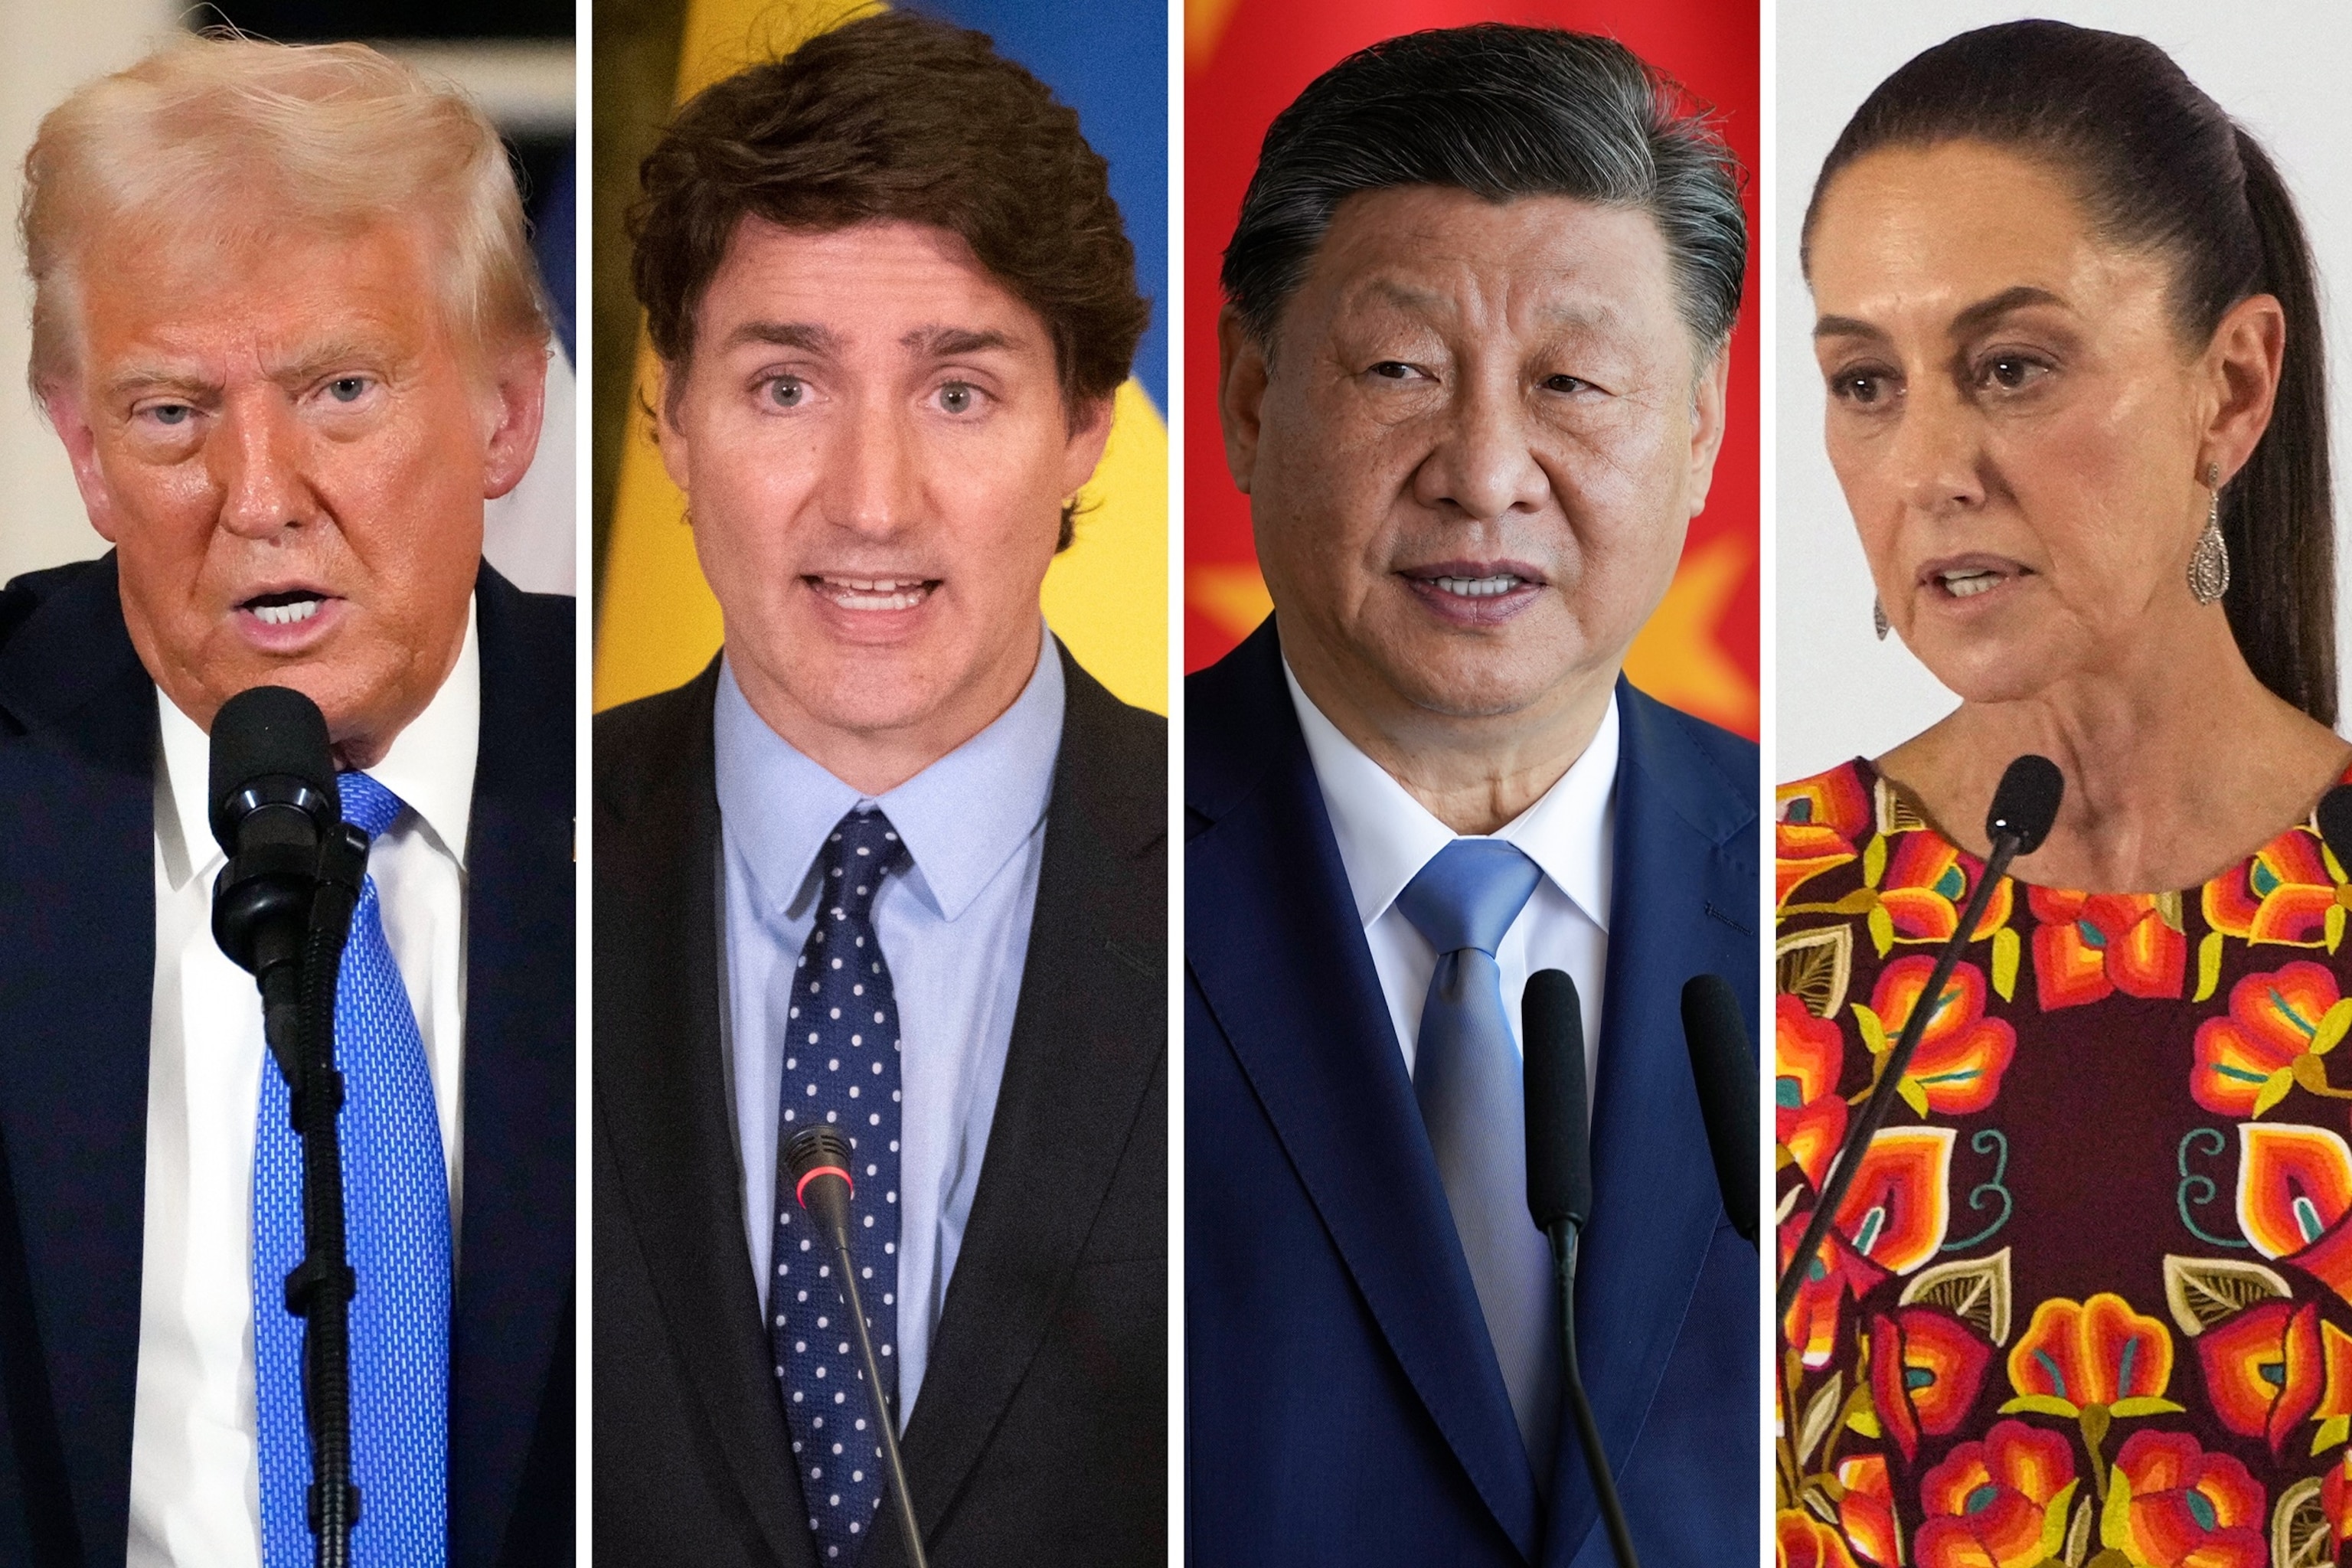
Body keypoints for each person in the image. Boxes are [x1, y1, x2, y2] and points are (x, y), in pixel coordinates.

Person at [1775, 20, 2352, 1563]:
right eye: (1864, 384)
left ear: (2232, 390)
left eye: (2012, 367)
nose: (1929, 467)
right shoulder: (1748, 905)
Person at [593, 13, 1165, 1566]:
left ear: (1082, 432)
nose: (869, 498)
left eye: (958, 394)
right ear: (670, 426)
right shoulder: (504, 862)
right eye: (786, 387)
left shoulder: (1265, 875)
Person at [1186, 25, 1758, 1564]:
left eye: (1572, 382)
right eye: (1400, 372)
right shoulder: (1075, 855)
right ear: (1249, 400)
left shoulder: (1850, 894)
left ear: (1700, 428)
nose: (1487, 469)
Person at [0, 36, 573, 1568]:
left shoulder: (685, 780)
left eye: (341, 388)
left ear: (508, 414)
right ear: (88, 458)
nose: (259, 495)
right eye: (171, 413)